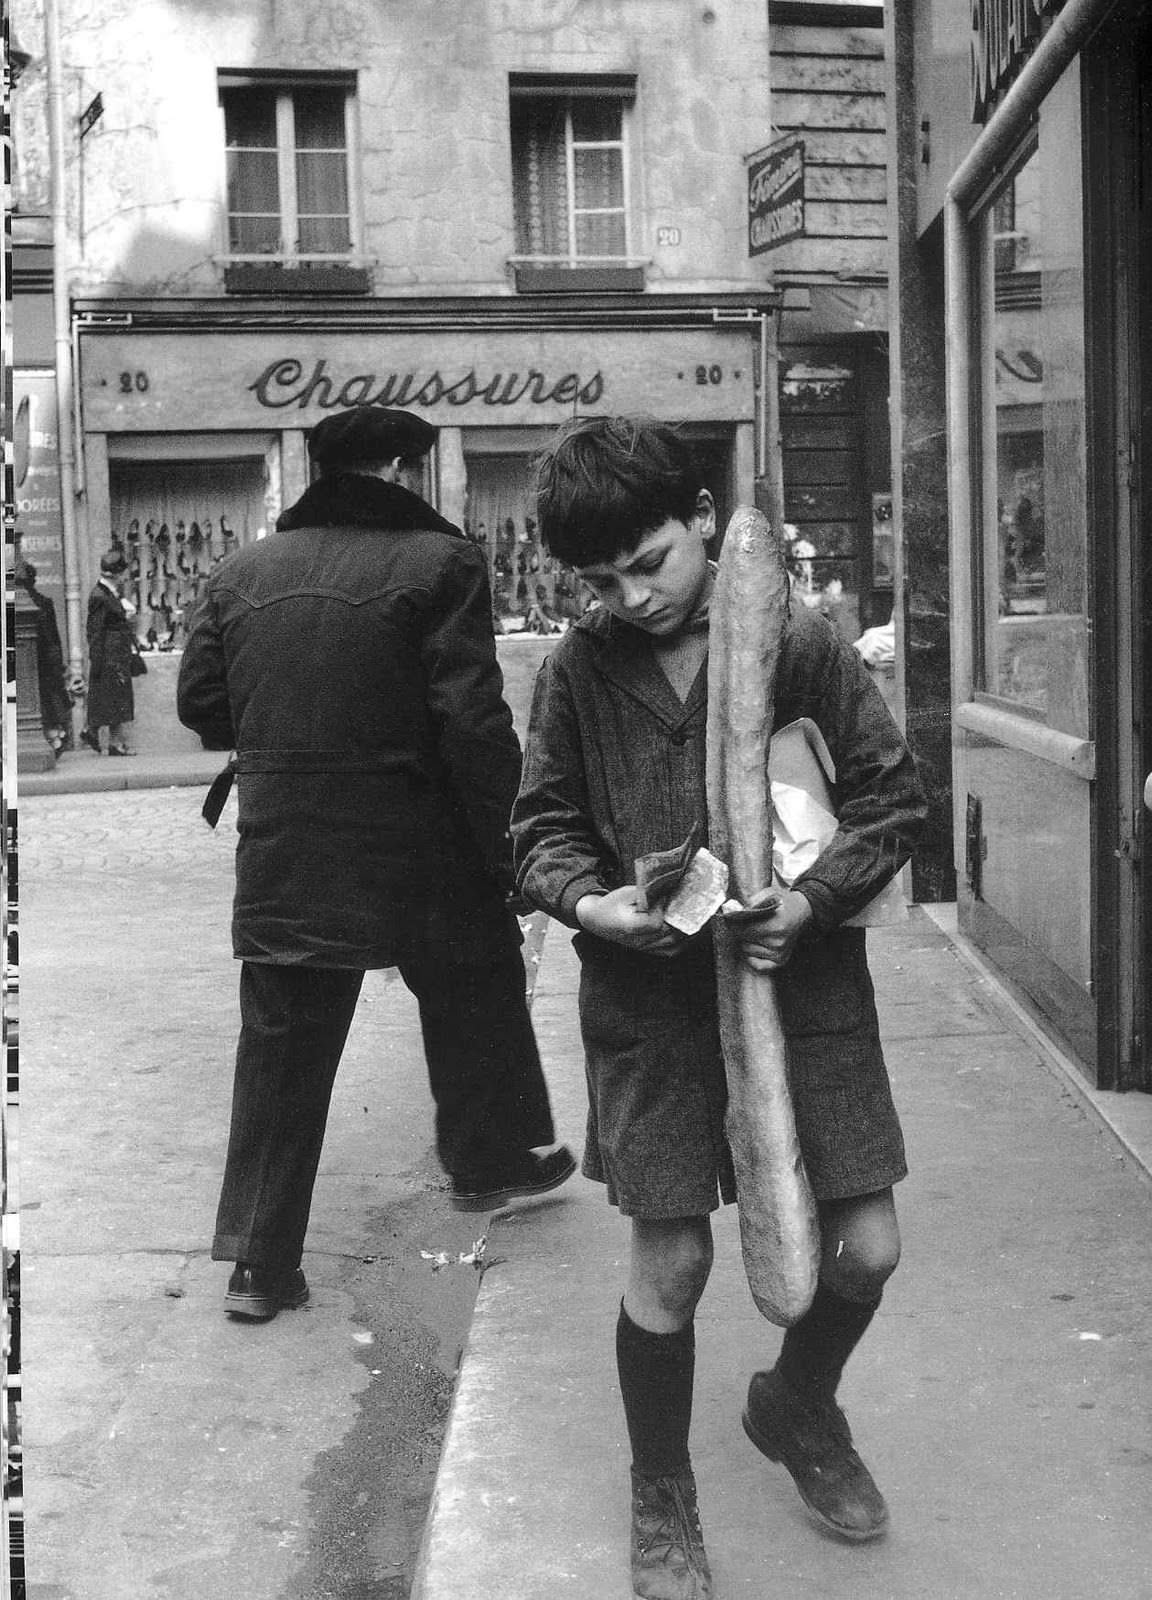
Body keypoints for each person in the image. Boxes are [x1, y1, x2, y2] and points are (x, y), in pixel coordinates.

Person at [511, 416, 927, 1599]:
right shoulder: (578, 672)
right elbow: (539, 830)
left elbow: (894, 801)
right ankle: (663, 1499)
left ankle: (796, 1403)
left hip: (807, 995)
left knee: (866, 1247)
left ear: (703, 517)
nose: (630, 596)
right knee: (675, 1261)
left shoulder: (802, 648)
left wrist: (815, 902)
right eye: (600, 581)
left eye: (649, 562)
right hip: (651, 1010)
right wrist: (594, 907)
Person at [177, 406, 575, 1323]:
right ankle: (488, 1160)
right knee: (476, 976)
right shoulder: (440, 565)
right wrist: (510, 847)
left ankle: (258, 1268)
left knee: (282, 1050)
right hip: (418, 846)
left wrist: (293, 734)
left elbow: (205, 706)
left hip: (288, 849)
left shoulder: (243, 571)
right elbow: (473, 726)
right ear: (401, 471)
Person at [82, 549, 138, 756]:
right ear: (116, 573)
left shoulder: (109, 593)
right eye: (123, 572)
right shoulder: (100, 596)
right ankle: (109, 739)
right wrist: (96, 658)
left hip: (115, 652)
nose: (125, 576)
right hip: (109, 654)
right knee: (115, 697)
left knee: (115, 697)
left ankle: (102, 736)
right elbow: (95, 630)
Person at [14, 558, 73, 753]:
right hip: (46, 663)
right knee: (49, 702)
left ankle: (53, 737)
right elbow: (54, 638)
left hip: (30, 663)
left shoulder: (19, 603)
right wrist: (59, 663)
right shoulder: (44, 602)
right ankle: (56, 736)